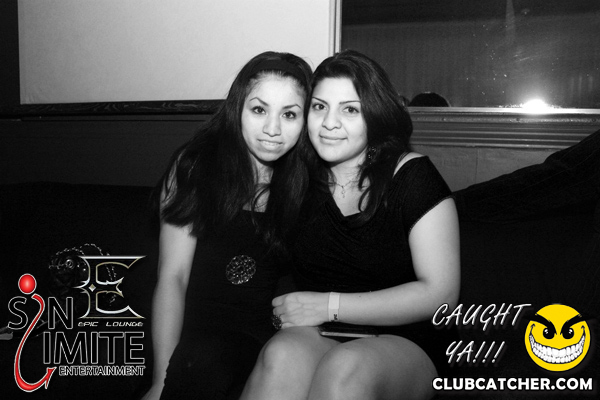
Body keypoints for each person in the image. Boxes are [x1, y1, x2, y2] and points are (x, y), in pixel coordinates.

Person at [240, 50, 460, 400]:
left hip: (407, 339)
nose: (329, 123)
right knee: (278, 356)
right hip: (321, 333)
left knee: (345, 369)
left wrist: (328, 305)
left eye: (350, 110)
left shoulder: (412, 177)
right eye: (319, 106)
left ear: (375, 115)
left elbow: (441, 295)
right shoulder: (297, 178)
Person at [141, 51, 312, 400]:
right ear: (238, 109)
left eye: (289, 114)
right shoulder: (196, 166)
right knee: (202, 363)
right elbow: (173, 277)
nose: (273, 129)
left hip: (263, 344)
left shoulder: (306, 181)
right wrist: (161, 381)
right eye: (259, 110)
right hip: (189, 337)